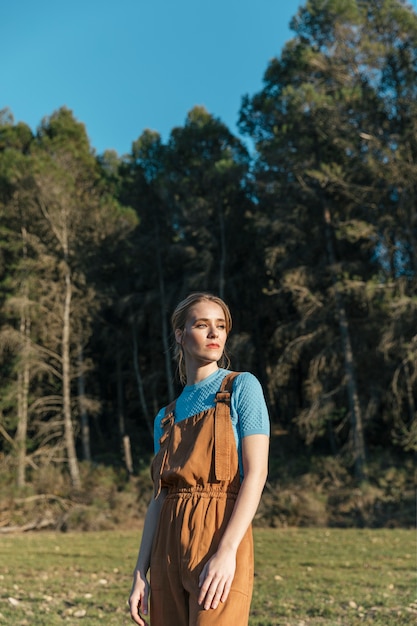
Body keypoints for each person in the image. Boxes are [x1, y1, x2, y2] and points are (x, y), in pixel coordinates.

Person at [129, 292, 270, 625]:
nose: (214, 334)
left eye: (221, 326)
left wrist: (227, 551)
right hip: (166, 547)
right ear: (180, 334)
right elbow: (159, 498)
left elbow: (256, 473)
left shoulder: (242, 387)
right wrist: (140, 571)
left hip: (218, 534)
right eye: (202, 325)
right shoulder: (165, 416)